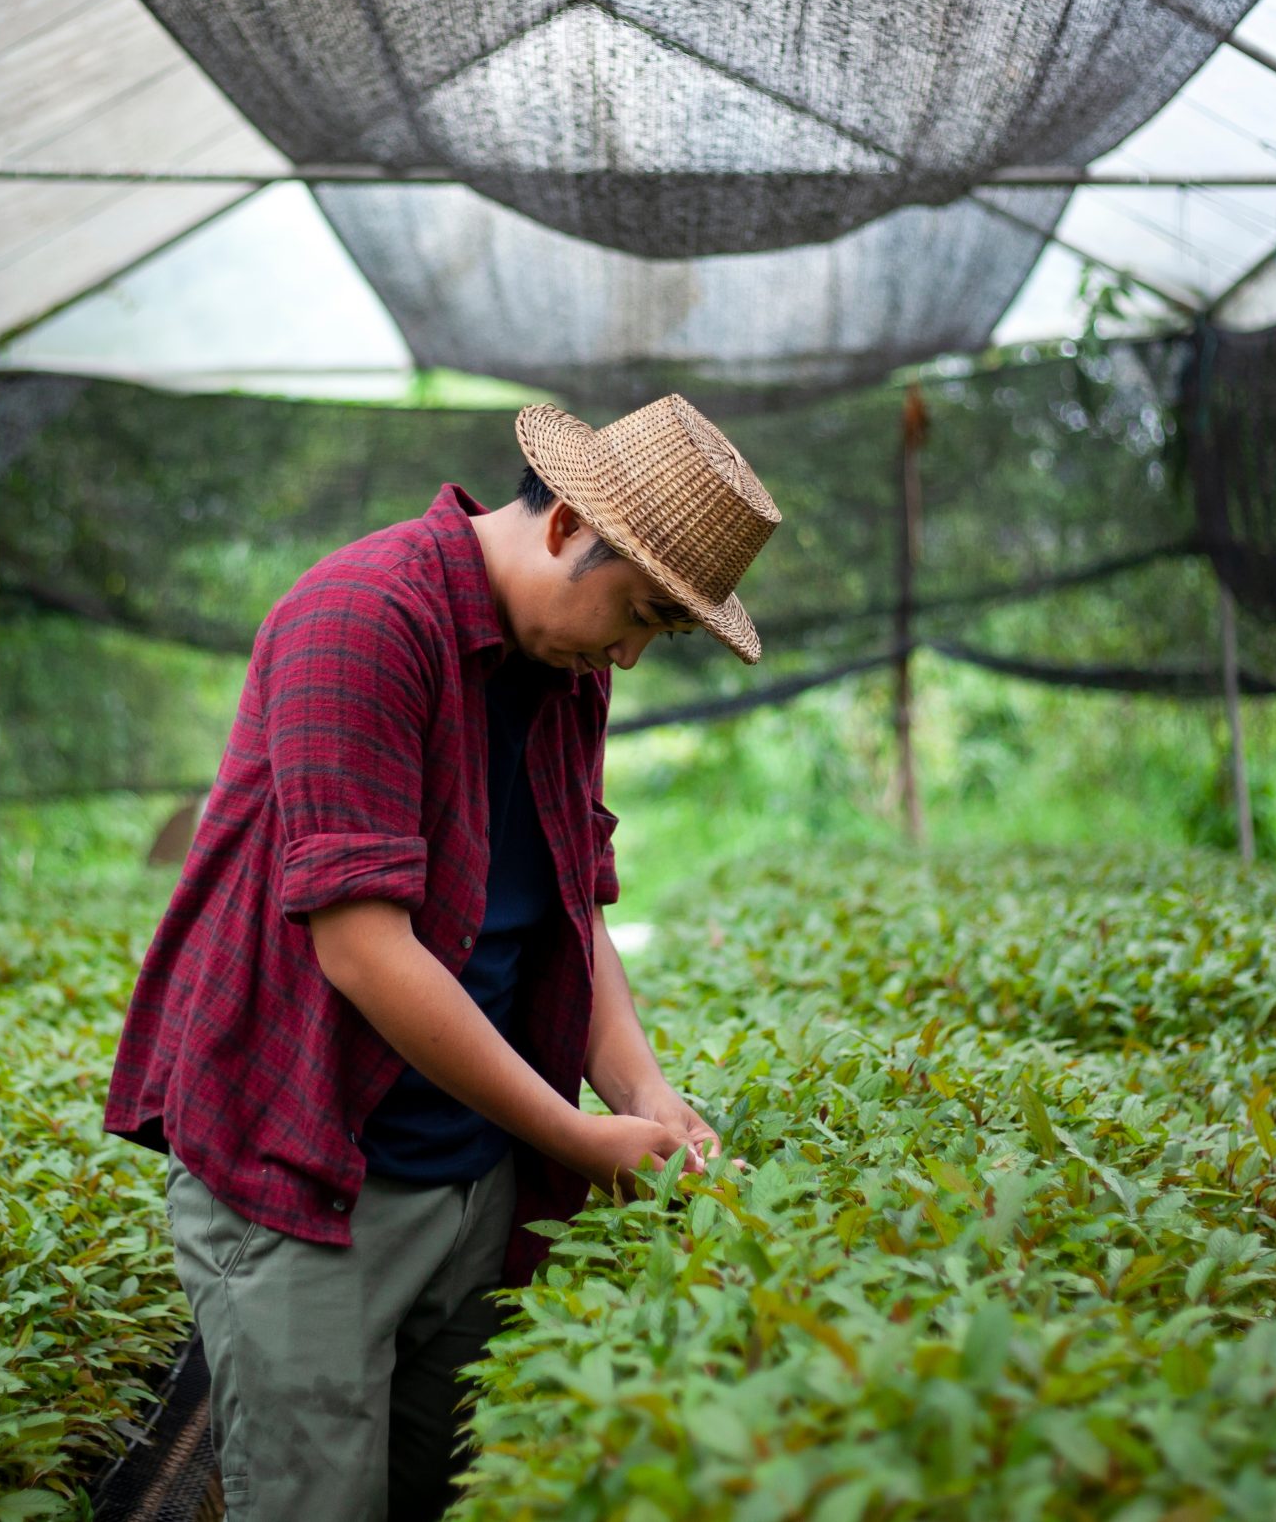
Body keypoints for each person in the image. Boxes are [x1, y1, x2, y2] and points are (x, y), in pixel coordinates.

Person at [103, 393, 783, 1521]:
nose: (626, 651)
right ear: (566, 525)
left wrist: (649, 1098)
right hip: (306, 1166)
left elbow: (575, 906)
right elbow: (366, 950)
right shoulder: (362, 616)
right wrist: (575, 1135)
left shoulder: (572, 667)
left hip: (475, 1171)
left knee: (436, 1494)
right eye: (640, 613)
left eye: (655, 635)